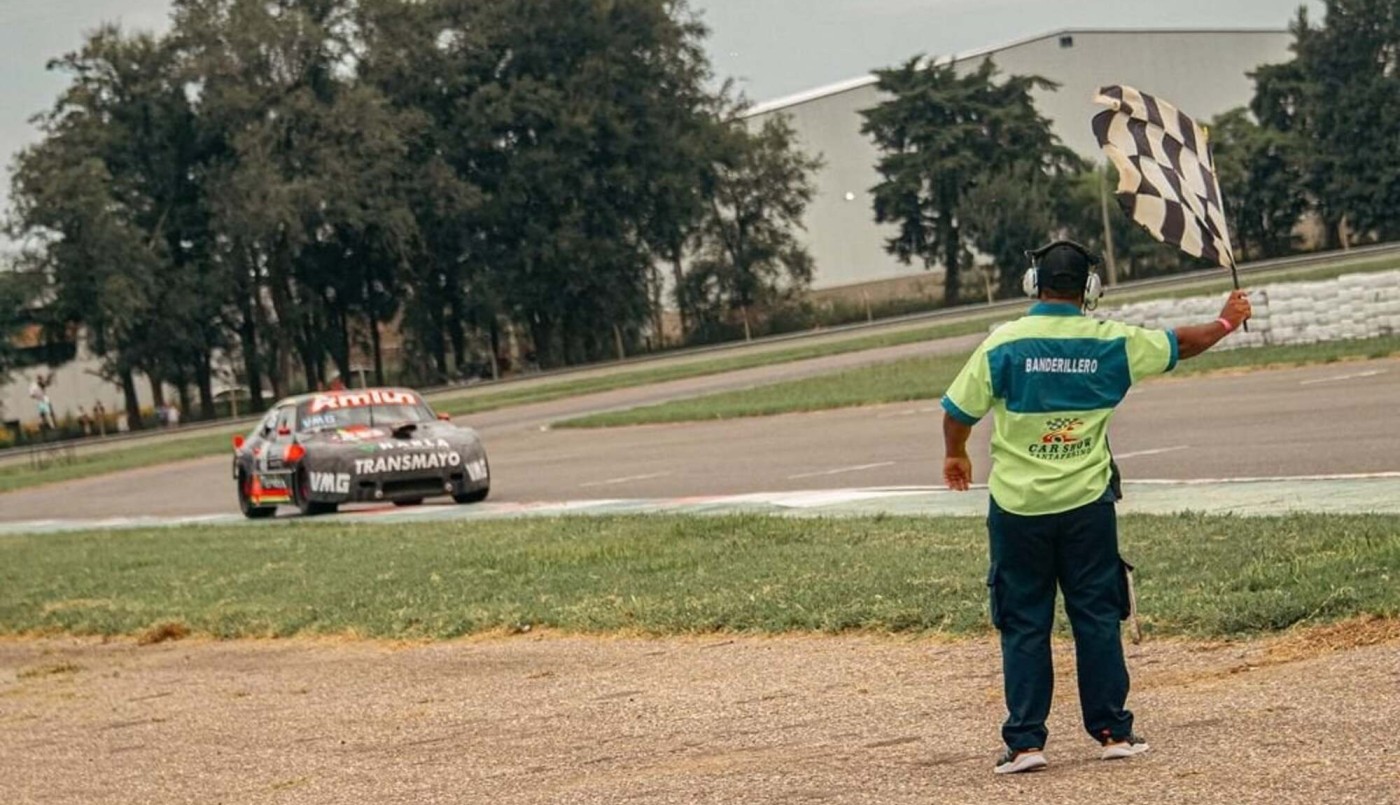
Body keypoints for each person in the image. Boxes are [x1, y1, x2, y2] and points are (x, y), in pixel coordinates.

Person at [939, 240, 1252, 775]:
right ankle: (1112, 731)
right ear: (1091, 289)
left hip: (1018, 509)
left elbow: (958, 409)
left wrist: (955, 454)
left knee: (1023, 623)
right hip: (1087, 505)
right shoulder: (1113, 341)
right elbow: (1182, 343)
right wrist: (1226, 321)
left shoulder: (1003, 343)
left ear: (1032, 283)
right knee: (1097, 617)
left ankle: (1025, 743)